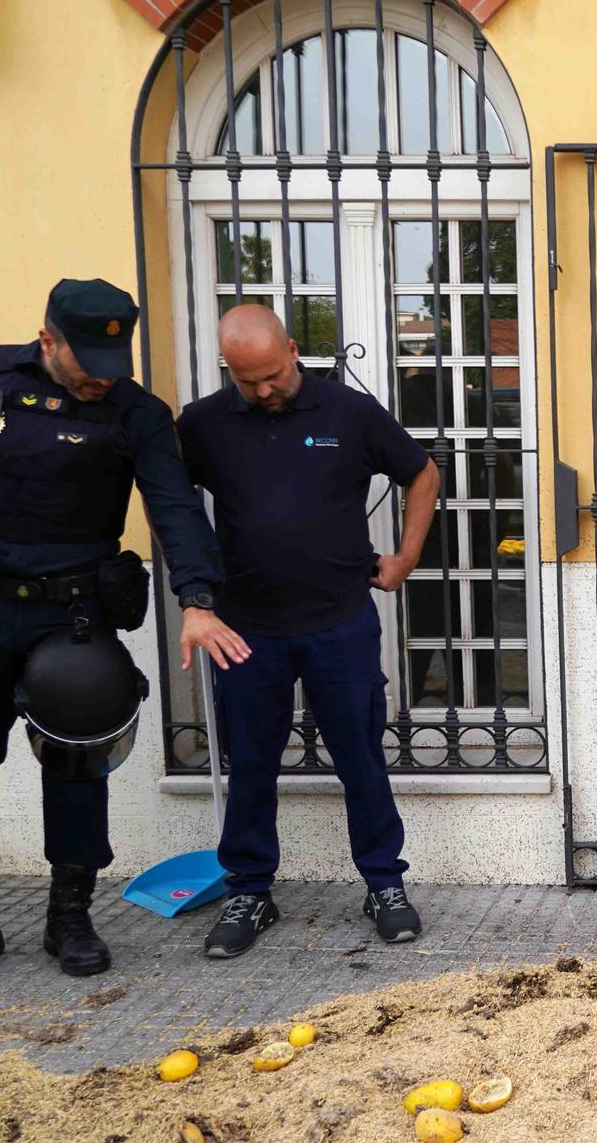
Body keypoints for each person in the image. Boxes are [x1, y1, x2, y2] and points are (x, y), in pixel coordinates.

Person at [0, 279, 246, 995]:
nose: (100, 377)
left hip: (73, 612)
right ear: (46, 339)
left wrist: (198, 599)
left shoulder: (136, 412)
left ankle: (69, 915)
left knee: (78, 763)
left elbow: (173, 505)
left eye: (113, 360)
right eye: (87, 361)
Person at [177, 305, 440, 958]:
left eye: (270, 375)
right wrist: (198, 595)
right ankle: (249, 890)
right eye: (247, 381)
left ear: (292, 350)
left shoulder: (346, 412)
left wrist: (405, 557)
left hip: (339, 621)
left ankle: (384, 883)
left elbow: (422, 471)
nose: (262, 391)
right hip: (246, 629)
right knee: (253, 764)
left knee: (360, 757)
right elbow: (172, 502)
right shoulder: (204, 425)